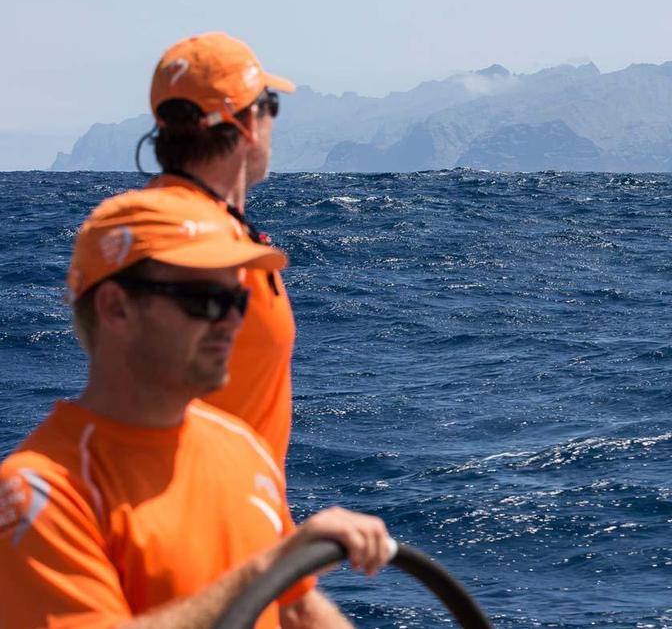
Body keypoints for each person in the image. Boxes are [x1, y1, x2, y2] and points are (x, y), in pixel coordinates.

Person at [0, 188, 390, 628]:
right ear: (116, 308)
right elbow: (269, 580)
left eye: (238, 300)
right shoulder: (41, 493)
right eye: (205, 300)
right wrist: (265, 571)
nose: (233, 321)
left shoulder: (241, 447)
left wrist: (278, 572)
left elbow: (296, 608)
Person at [145, 31, 298, 469]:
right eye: (271, 105)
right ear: (249, 124)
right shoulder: (197, 242)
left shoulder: (179, 223)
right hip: (208, 524)